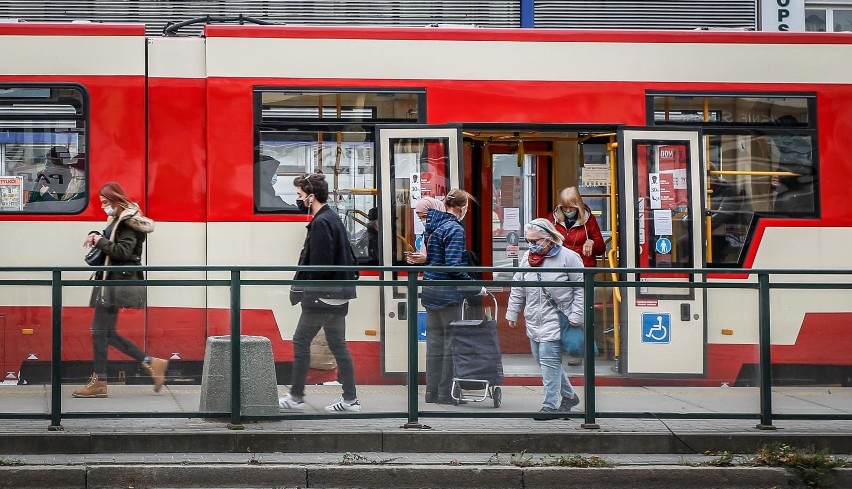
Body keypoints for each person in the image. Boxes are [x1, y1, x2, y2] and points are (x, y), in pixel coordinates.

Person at [72, 182, 167, 398]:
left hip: (117, 283)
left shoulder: (129, 221)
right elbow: (110, 239)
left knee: (99, 332)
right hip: (110, 282)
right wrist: (96, 234)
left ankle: (100, 382)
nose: (104, 206)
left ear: (115, 200)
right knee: (105, 332)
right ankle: (151, 363)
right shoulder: (117, 219)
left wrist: (99, 240)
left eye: (105, 202)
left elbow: (123, 252)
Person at [279, 173, 361, 413]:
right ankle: (350, 400)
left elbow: (320, 264)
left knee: (301, 340)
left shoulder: (320, 223)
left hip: (322, 296)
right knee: (338, 345)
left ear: (311, 196)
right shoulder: (332, 218)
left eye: (299, 195)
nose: (298, 199)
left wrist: (308, 294)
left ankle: (295, 397)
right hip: (338, 295)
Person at [506, 218, 583, 420]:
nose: (532, 245)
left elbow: (581, 289)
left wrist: (577, 316)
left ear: (549, 238)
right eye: (529, 241)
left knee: (549, 361)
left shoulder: (569, 258)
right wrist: (512, 312)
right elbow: (518, 287)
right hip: (534, 317)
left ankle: (550, 405)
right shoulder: (527, 259)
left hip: (558, 318)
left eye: (536, 240)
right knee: (543, 361)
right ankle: (569, 396)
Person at [416, 189, 485, 404]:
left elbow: (431, 260)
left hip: (430, 290)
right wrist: (475, 287)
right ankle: (446, 393)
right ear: (462, 208)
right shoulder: (454, 229)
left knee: (434, 344)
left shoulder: (433, 226)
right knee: (450, 345)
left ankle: (431, 392)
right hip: (447, 294)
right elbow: (454, 267)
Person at [548, 187, 605, 268]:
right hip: (559, 266)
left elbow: (601, 249)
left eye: (571, 207)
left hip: (583, 266)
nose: (567, 211)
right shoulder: (552, 219)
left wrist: (592, 243)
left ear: (578, 205)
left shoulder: (589, 219)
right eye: (564, 207)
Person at [26, 146, 86, 211]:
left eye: (51, 162)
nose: (47, 166)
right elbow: (31, 203)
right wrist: (39, 185)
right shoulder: (46, 177)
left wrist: (45, 194)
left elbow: (64, 209)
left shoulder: (78, 181)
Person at [404, 197, 445, 265]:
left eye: (425, 216)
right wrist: (415, 259)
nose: (423, 221)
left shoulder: (447, 231)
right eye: (420, 218)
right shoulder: (428, 233)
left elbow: (451, 260)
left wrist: (426, 259)